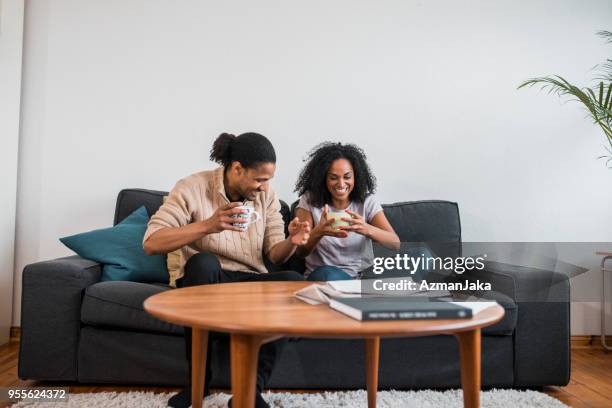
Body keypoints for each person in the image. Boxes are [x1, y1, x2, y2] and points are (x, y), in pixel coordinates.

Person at [143, 132, 310, 408]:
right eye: (259, 179)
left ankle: (249, 393)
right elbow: (151, 243)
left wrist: (292, 242)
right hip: (205, 281)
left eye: (268, 179)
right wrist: (208, 225)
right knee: (203, 262)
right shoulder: (191, 187)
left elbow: (274, 254)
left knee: (292, 282)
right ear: (236, 169)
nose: (264, 187)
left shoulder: (266, 195)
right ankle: (199, 382)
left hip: (249, 280)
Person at [294, 142, 400, 281]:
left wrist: (365, 228)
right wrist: (319, 231)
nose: (341, 184)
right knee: (327, 274)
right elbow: (300, 252)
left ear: (356, 176)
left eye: (347, 176)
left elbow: (395, 243)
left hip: (362, 278)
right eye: (333, 178)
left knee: (422, 255)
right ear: (323, 178)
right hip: (325, 277)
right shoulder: (309, 201)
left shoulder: (366, 202)